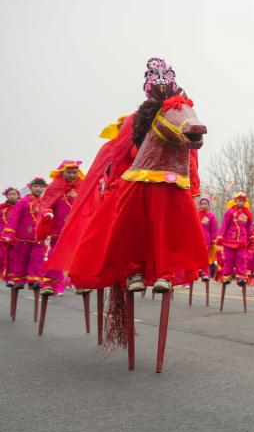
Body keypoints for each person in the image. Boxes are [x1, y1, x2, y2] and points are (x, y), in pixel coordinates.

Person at [65, 67, 207, 294]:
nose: (162, 88)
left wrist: (194, 189)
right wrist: (116, 187)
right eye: (157, 85)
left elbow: (189, 157)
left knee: (170, 229)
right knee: (131, 228)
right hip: (136, 182)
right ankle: (133, 272)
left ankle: (166, 273)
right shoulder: (137, 119)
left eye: (166, 84)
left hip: (170, 182)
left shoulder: (178, 108)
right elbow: (120, 158)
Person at [36, 160, 84, 293]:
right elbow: (46, 203)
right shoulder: (54, 186)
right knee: (55, 254)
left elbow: (89, 202)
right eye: (69, 172)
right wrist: (47, 212)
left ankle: (80, 282)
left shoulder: (82, 186)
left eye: (75, 172)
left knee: (77, 254)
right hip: (58, 227)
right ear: (62, 173)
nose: (72, 175)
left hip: (76, 227)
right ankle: (49, 283)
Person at [2, 178, 48, 292]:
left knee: (37, 259)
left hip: (39, 237)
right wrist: (8, 233)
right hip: (22, 237)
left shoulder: (45, 202)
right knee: (20, 259)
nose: (38, 189)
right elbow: (14, 218)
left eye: (41, 187)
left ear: (44, 188)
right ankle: (19, 280)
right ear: (30, 188)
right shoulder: (23, 201)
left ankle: (34, 280)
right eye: (36, 186)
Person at [216, 192, 253, 285]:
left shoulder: (247, 214)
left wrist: (251, 236)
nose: (241, 202)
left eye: (243, 201)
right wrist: (220, 236)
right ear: (235, 201)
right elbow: (224, 225)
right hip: (229, 240)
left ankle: (241, 277)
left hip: (242, 241)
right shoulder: (229, 212)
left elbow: (249, 227)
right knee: (228, 259)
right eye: (239, 200)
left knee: (241, 258)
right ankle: (226, 277)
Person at [197, 196, 219, 281]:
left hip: (206, 240)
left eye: (205, 203)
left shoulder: (211, 216)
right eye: (202, 204)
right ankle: (193, 273)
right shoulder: (196, 214)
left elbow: (214, 229)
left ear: (209, 205)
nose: (204, 205)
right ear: (199, 205)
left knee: (205, 257)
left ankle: (205, 274)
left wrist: (214, 240)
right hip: (196, 239)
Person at [1, 187, 19, 286]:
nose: (12, 196)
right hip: (2, 236)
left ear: (18, 195)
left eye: (14, 194)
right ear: (6, 196)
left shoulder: (21, 206)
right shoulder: (1, 207)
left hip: (16, 236)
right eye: (10, 194)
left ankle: (11, 278)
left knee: (13, 258)